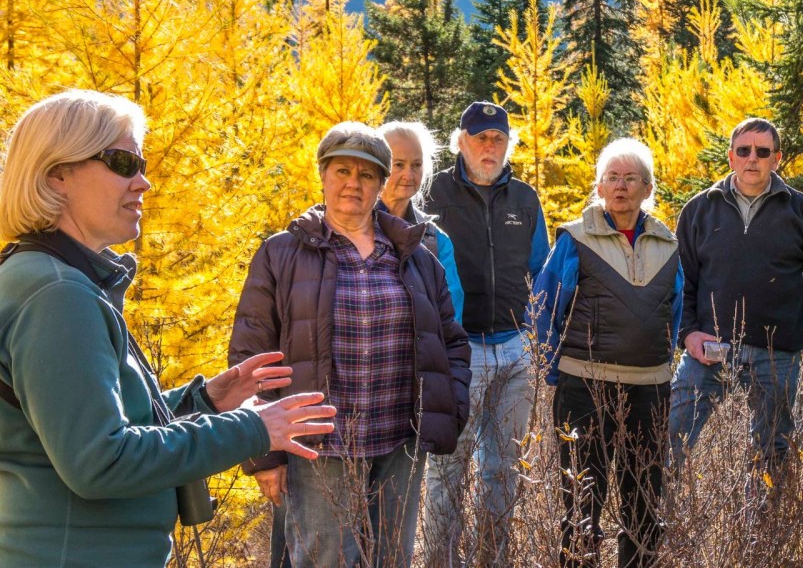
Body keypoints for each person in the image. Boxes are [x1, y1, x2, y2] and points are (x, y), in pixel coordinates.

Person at [0, 89, 335, 567]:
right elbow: (101, 461)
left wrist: (205, 402)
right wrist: (253, 429)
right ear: (58, 175)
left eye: (141, 162)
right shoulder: (57, 294)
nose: (144, 182)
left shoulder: (48, 277)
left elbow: (90, 426)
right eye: (122, 162)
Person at [229, 122, 470, 568]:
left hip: (400, 441)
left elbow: (452, 343)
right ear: (322, 175)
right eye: (342, 171)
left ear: (381, 184)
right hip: (319, 446)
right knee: (324, 560)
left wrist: (447, 411)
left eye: (366, 175)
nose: (353, 184)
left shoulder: (415, 258)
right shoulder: (281, 254)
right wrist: (263, 452)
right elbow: (250, 357)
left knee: (391, 558)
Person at [528, 138, 683, 567]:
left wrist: (659, 366)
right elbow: (545, 306)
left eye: (631, 178)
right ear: (599, 188)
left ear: (647, 187)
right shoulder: (574, 240)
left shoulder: (668, 245)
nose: (621, 186)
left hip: (650, 392)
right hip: (584, 389)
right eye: (612, 177)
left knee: (645, 506)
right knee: (581, 504)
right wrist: (556, 372)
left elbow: (676, 311)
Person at [668, 117, 803, 469]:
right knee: (672, 435)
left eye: (762, 152)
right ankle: (653, 520)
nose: (753, 158)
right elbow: (680, 281)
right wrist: (687, 333)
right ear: (731, 157)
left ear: (776, 159)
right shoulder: (700, 209)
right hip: (710, 347)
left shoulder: (802, 212)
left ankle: (768, 519)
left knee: (773, 450)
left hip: (775, 352)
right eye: (744, 150)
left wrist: (792, 311)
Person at [421, 101, 550, 566]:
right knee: (447, 470)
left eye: (498, 138)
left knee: (503, 471)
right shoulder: (433, 194)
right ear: (461, 141)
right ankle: (440, 561)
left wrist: (538, 340)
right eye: (480, 137)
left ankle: (491, 559)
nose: (489, 146)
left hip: (516, 350)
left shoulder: (525, 199)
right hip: (459, 350)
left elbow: (542, 272)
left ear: (508, 144)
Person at [378, 121, 464, 321]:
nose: (408, 174)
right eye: (398, 164)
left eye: (416, 165)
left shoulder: (434, 239)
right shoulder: (349, 226)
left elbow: (451, 313)